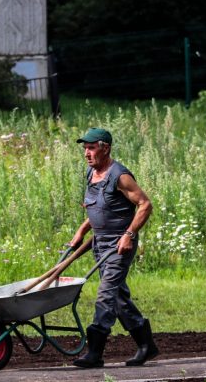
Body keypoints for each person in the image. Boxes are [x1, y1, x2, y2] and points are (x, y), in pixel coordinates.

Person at [68, 127, 158, 368]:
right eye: (85, 149)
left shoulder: (120, 175)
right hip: (99, 243)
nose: (87, 153)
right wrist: (82, 230)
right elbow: (98, 208)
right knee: (118, 297)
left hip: (119, 245)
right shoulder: (91, 173)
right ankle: (147, 345)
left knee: (106, 294)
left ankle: (94, 353)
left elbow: (145, 205)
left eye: (91, 148)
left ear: (105, 148)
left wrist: (129, 235)